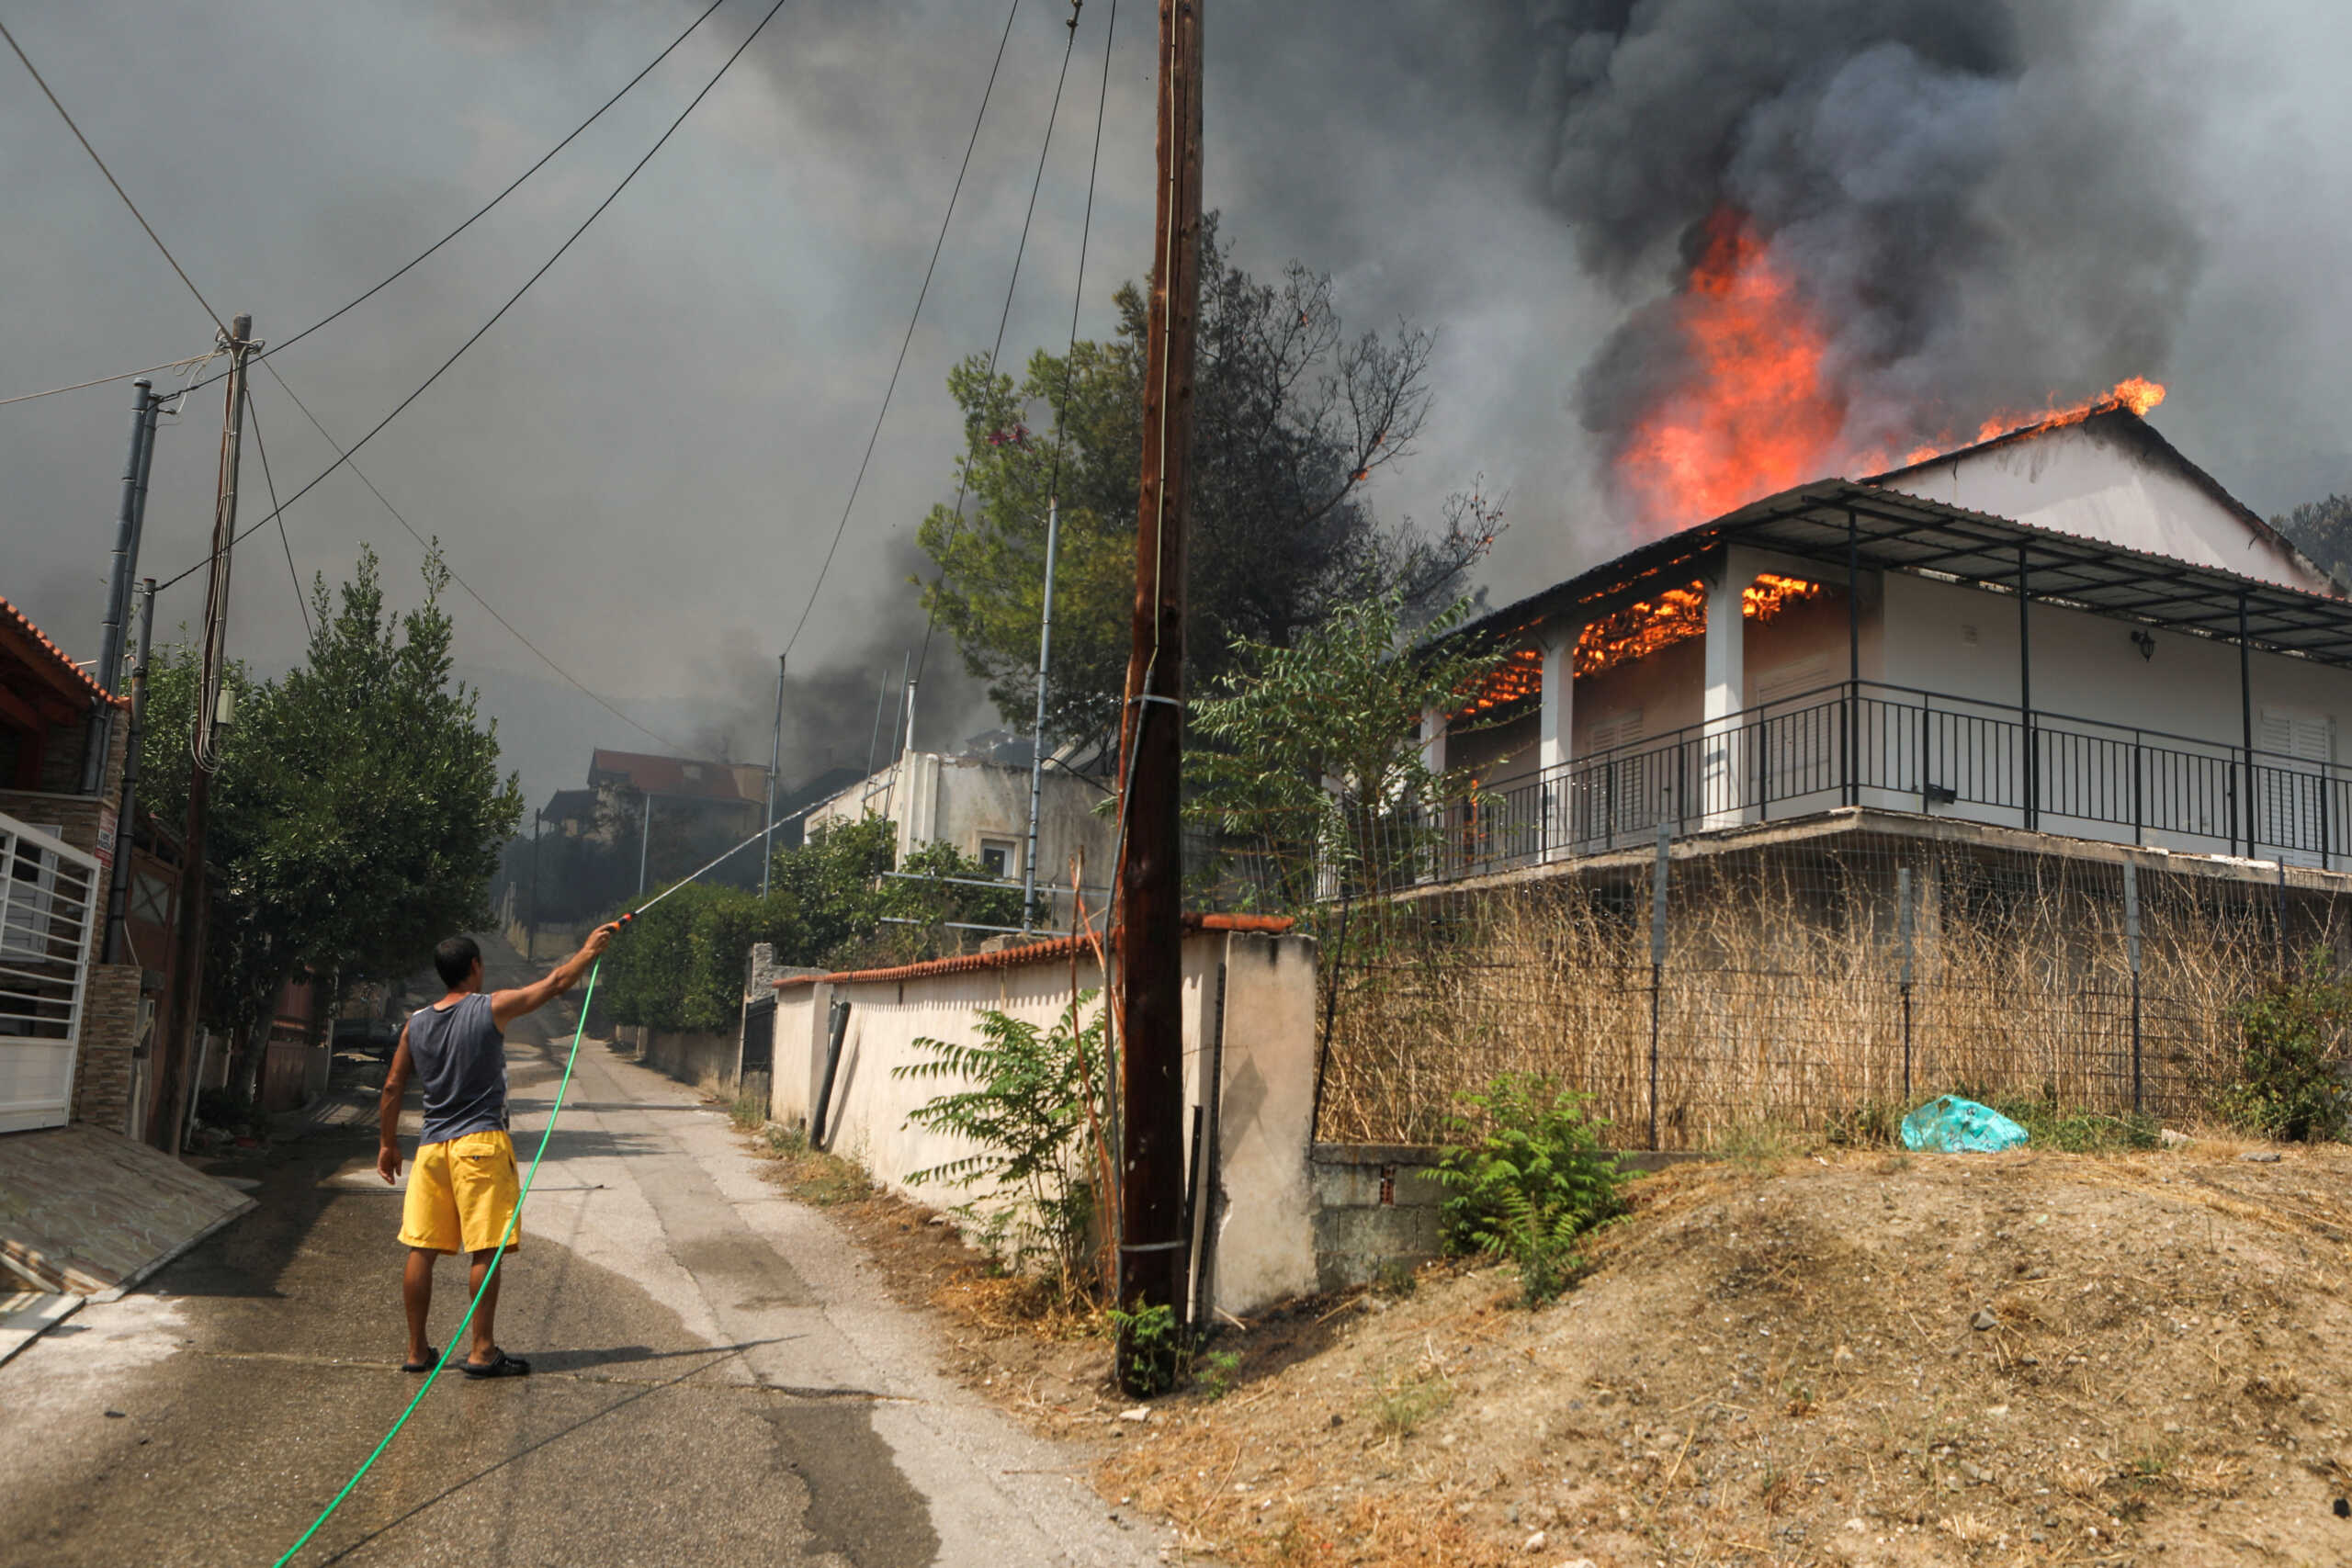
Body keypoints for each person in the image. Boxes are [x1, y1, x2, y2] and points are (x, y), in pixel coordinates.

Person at [377, 924, 616, 1379]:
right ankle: (481, 1350)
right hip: (480, 1145)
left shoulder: (416, 1023)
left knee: (420, 1248)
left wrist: (388, 1144)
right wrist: (588, 950)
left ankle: (416, 1350)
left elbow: (392, 1086)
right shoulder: (491, 1008)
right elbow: (555, 984)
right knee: (485, 1248)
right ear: (475, 968)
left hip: (431, 1149)